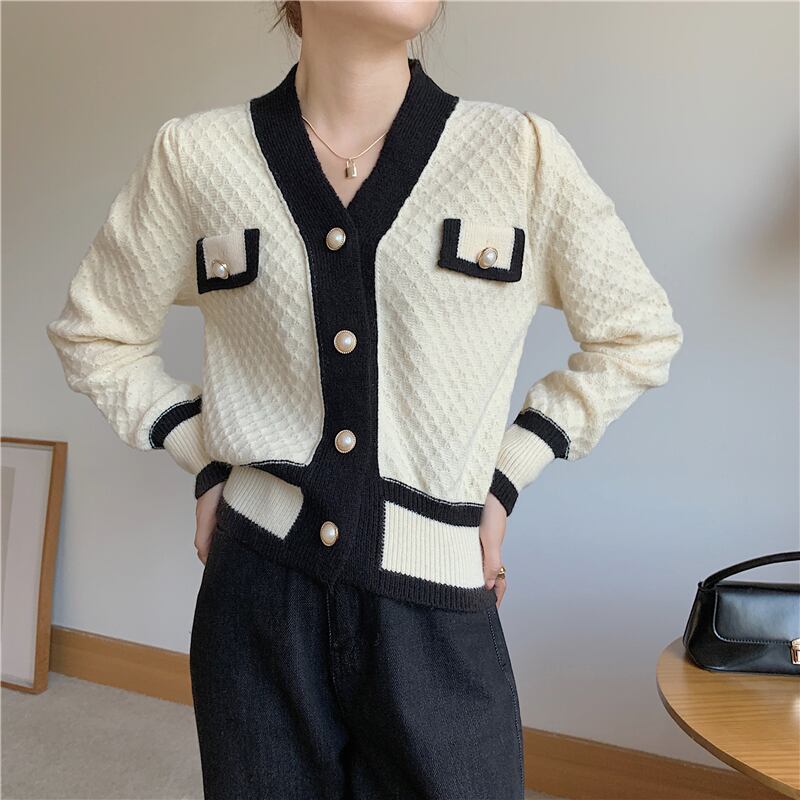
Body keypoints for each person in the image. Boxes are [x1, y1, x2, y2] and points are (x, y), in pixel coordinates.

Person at [45, 2, 684, 798]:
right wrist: (200, 454)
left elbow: (636, 334)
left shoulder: (518, 154)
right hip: (256, 597)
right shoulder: (196, 157)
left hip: (438, 604)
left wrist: (505, 476)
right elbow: (96, 332)